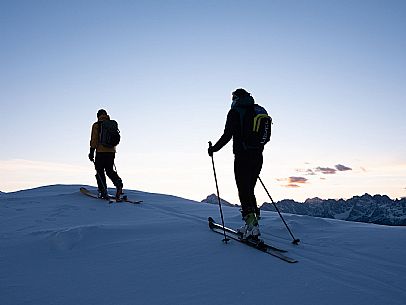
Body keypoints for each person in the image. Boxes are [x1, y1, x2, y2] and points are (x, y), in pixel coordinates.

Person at [208, 88, 264, 240]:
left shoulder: (235, 112)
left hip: (242, 157)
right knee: (250, 189)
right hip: (258, 156)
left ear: (236, 98)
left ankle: (252, 226)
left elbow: (227, 135)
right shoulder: (258, 110)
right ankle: (253, 224)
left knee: (243, 190)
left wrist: (214, 149)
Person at [88, 109, 123, 200]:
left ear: (98, 116)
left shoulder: (97, 125)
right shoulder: (111, 124)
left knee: (99, 171)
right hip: (111, 152)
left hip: (100, 152)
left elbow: (94, 139)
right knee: (109, 170)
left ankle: (103, 191)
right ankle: (118, 183)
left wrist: (91, 152)